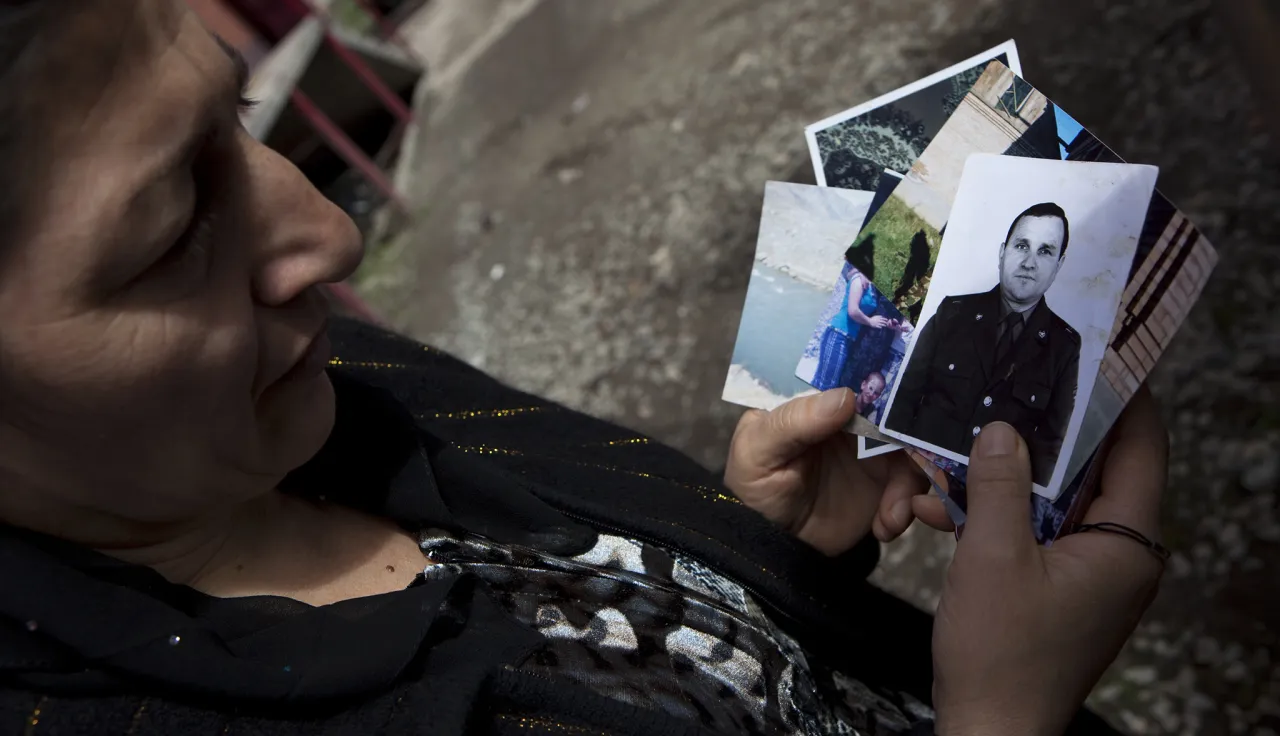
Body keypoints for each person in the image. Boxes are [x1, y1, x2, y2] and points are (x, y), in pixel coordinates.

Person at [0, 3, 1167, 734]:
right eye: (164, 233)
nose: (327, 236)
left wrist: (768, 556)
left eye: (238, 120)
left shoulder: (314, 379)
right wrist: (1004, 716)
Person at [884, 202, 1081, 486]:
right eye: (1022, 246)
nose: (1029, 263)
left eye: (1045, 251)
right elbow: (904, 395)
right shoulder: (953, 313)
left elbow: (1049, 445)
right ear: (1002, 253)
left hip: (993, 489)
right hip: (912, 469)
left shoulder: (1064, 346)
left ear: (1059, 265)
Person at [810, 238, 909, 393]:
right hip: (839, 334)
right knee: (825, 386)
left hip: (850, 339)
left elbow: (879, 312)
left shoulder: (873, 285)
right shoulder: (859, 279)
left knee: (829, 384)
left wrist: (891, 324)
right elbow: (853, 310)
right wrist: (870, 321)